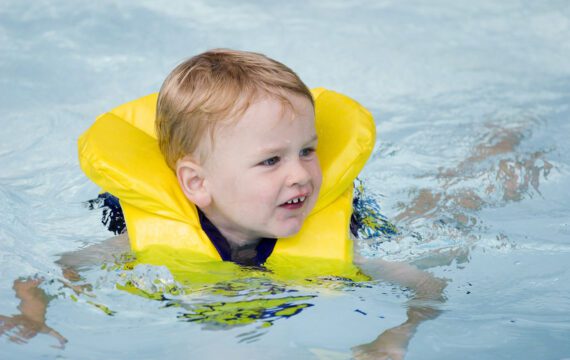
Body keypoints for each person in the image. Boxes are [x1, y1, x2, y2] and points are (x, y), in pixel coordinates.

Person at [2, 49, 445, 359]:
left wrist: (394, 335)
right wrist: (33, 315)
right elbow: (47, 271)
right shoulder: (139, 240)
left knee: (443, 201)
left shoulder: (346, 242)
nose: (301, 174)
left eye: (308, 151)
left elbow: (429, 286)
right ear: (197, 183)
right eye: (271, 160)